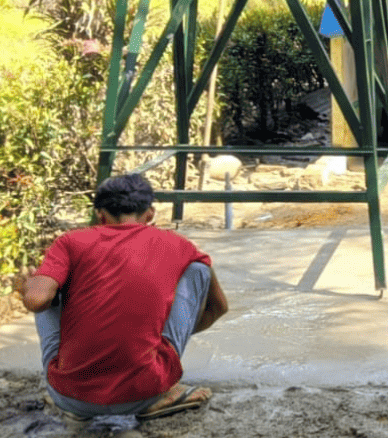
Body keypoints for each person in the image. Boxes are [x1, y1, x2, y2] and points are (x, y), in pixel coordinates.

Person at [14, 173, 228, 421]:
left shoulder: (70, 241)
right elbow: (219, 307)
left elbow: (36, 301)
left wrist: (29, 286)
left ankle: (77, 402)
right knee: (199, 269)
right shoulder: (178, 244)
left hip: (70, 397)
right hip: (146, 393)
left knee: (48, 286)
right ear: (150, 214)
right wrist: (157, 336)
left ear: (99, 214)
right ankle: (162, 391)